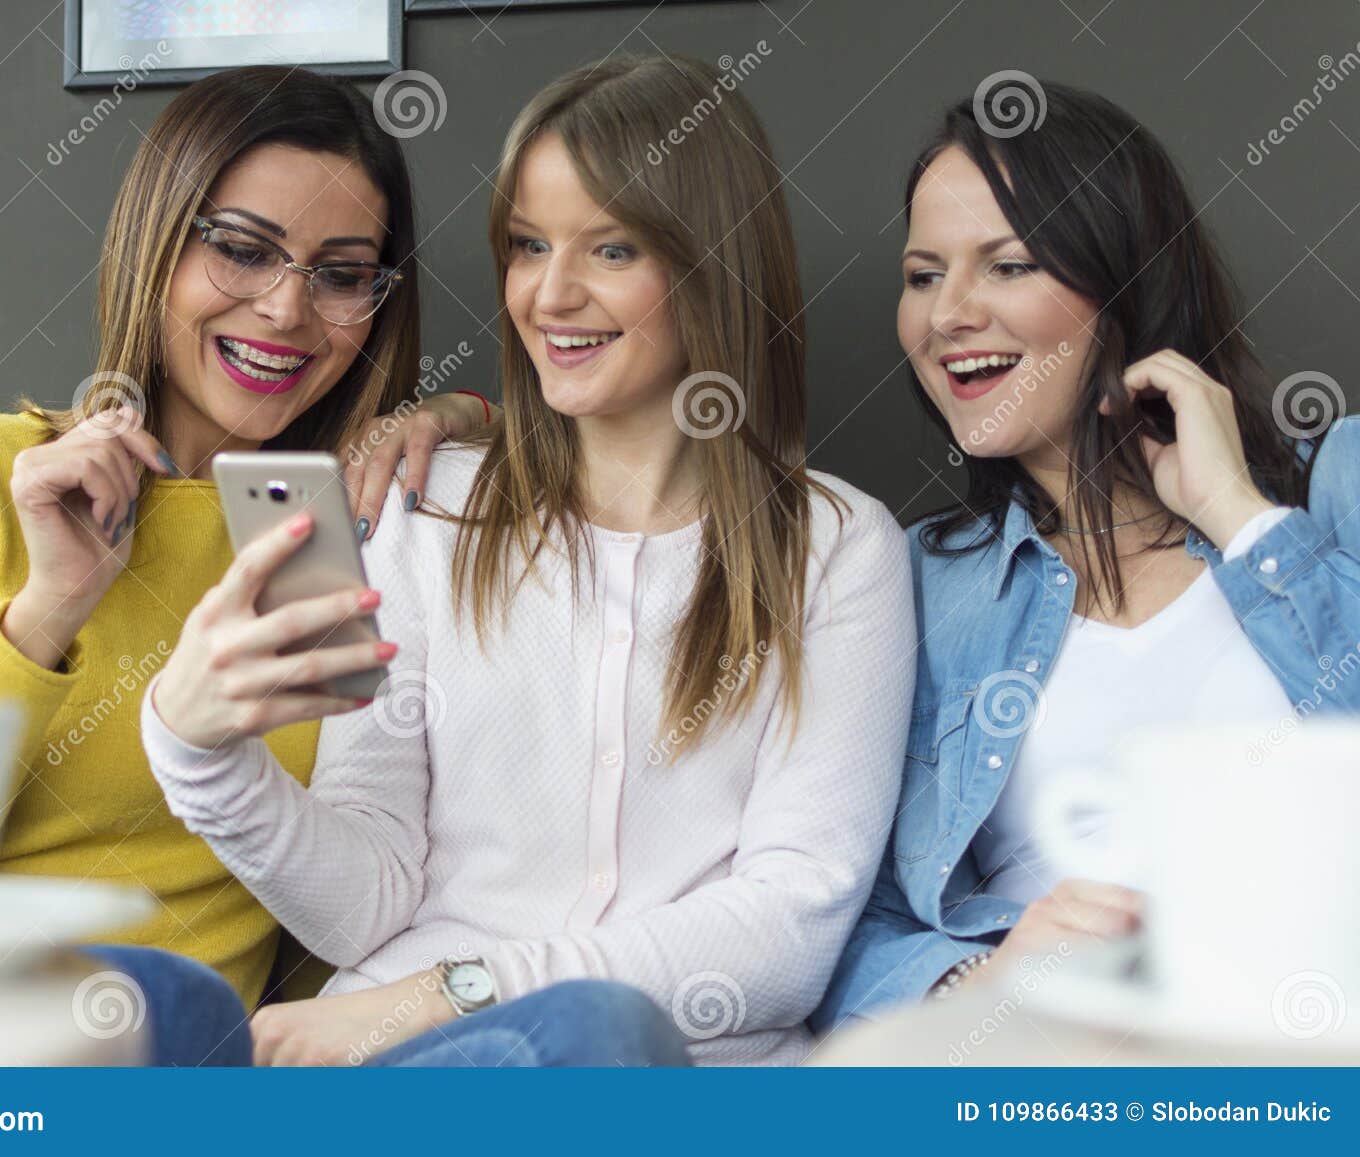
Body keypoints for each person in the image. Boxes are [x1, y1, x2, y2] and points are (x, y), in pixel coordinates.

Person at [141, 53, 915, 1067]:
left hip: (657, 1063)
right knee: (142, 996)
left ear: (710, 263)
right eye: (527, 245)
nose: (550, 294)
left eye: (611, 249)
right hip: (399, 1057)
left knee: (592, 1025)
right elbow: (369, 899)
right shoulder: (429, 505)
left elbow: (786, 927)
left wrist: (456, 990)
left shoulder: (838, 546)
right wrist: (199, 754)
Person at [0, 65, 495, 1066]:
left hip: (204, 1065)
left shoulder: (328, 522)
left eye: (341, 273)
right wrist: (46, 611)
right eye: (241, 250)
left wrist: (460, 416)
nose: (286, 310)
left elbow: (347, 888)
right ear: (156, 243)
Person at [816, 81, 1360, 1029]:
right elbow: (829, 921)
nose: (947, 314)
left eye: (1008, 265)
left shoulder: (1338, 483)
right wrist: (976, 981)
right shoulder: (908, 579)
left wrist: (1237, 514)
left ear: (1127, 284)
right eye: (922, 274)